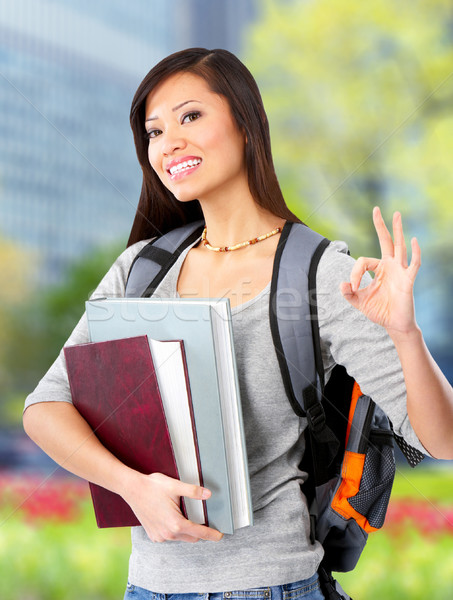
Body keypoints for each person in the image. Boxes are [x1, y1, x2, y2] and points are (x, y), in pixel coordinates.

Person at [23, 48, 453, 600]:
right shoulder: (141, 270)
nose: (168, 142)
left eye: (190, 116)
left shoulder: (321, 274)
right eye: (154, 131)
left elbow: (438, 439)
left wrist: (405, 334)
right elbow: (45, 408)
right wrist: (132, 488)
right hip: (147, 586)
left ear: (247, 124)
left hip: (269, 584)